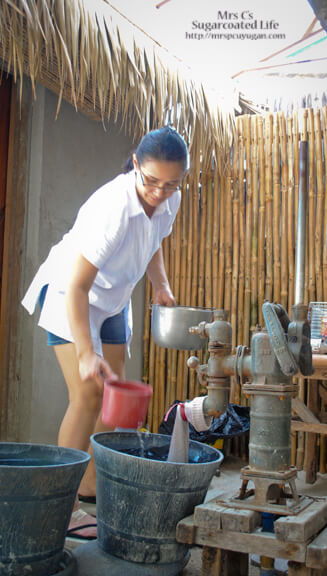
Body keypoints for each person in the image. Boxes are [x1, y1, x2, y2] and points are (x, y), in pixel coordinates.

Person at [22, 126, 189, 538]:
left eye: (171, 184)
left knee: (115, 396)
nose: (159, 192)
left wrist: (162, 285)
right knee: (88, 394)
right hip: (71, 293)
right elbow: (77, 287)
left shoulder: (170, 197)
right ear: (135, 165)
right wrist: (84, 352)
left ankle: (92, 488)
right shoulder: (112, 209)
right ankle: (61, 504)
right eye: (151, 181)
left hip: (113, 298)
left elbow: (154, 242)